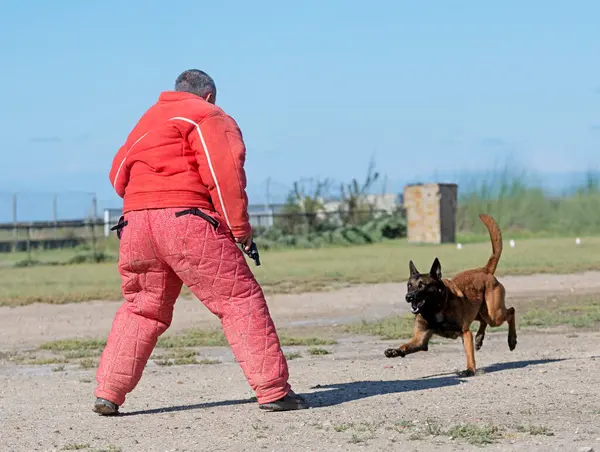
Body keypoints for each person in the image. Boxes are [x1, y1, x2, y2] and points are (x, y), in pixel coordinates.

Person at [93, 69, 308, 414]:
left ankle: (108, 392)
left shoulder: (148, 119)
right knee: (239, 298)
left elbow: (118, 175)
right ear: (208, 96)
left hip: (134, 224)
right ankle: (273, 391)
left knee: (142, 307)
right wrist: (240, 231)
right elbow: (225, 174)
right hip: (186, 220)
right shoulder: (207, 115)